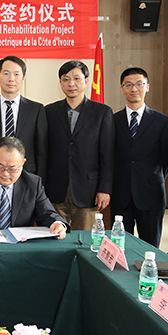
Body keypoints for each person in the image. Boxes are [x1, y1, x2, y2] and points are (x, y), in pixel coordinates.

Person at [44, 60, 114, 230]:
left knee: (85, 239)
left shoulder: (102, 112)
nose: (71, 83)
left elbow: (107, 154)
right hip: (55, 189)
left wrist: (104, 189)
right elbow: (44, 151)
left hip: (88, 191)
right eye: (66, 79)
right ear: (60, 82)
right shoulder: (49, 111)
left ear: (86, 81)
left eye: (76, 78)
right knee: (54, 237)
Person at [112, 67, 168, 248]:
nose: (134, 89)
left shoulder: (163, 121)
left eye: (139, 84)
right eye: (128, 85)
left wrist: (151, 177)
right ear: (122, 88)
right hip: (120, 194)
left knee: (150, 246)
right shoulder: (112, 120)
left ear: (147, 87)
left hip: (151, 194)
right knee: (119, 246)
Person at [0, 55, 48, 181]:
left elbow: (41, 150)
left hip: (27, 174)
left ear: (23, 77)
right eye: (6, 73)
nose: (11, 79)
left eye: (16, 74)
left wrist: (40, 180)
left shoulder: (36, 109)